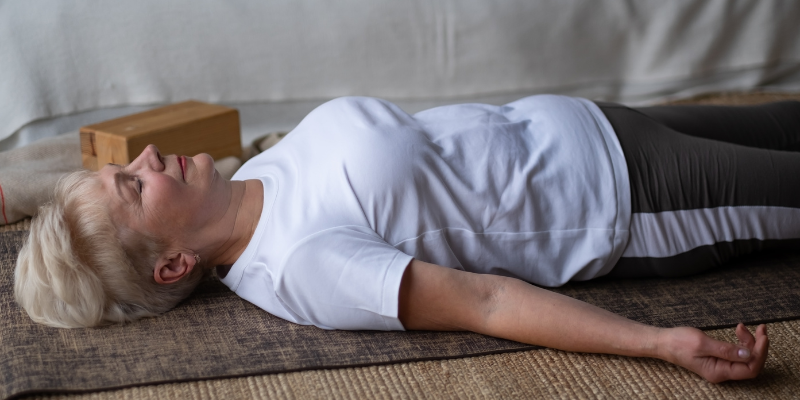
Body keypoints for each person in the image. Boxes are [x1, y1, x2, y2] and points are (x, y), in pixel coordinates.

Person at [16, 95, 799, 383]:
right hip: (633, 202)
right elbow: (486, 302)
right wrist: (658, 344)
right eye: (132, 186)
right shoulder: (301, 266)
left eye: (126, 165)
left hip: (602, 123)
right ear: (173, 264)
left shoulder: (261, 170)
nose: (147, 158)